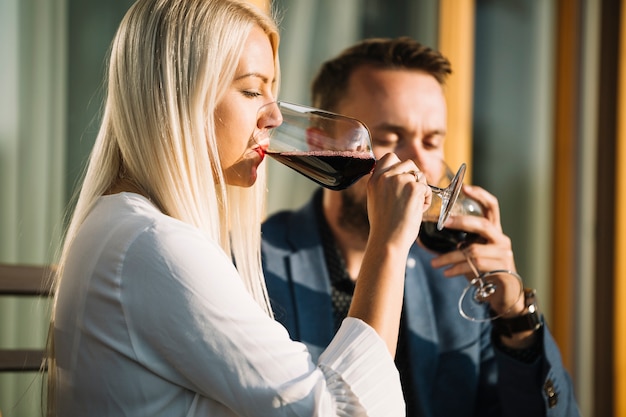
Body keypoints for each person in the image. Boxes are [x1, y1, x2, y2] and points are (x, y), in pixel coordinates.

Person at [47, 2, 432, 416]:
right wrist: (388, 245)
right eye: (251, 90)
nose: (275, 116)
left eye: (273, 92)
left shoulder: (123, 228)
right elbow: (342, 411)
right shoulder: (154, 246)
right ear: (178, 95)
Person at [262, 37, 581, 417]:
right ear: (321, 141)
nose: (419, 164)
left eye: (431, 141)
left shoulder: (454, 277)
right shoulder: (256, 262)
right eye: (389, 139)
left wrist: (516, 318)